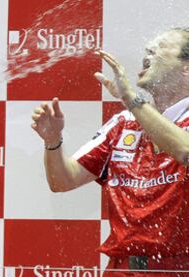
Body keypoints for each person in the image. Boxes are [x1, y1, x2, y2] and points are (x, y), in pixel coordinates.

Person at [32, 27, 189, 275]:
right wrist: (53, 141)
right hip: (121, 269)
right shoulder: (123, 122)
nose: (148, 51)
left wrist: (130, 98)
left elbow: (185, 150)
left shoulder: (138, 111)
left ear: (186, 68)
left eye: (160, 47)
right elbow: (63, 180)